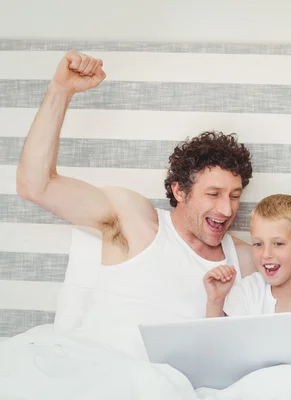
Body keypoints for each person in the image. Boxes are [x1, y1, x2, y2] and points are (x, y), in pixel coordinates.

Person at [16, 51, 257, 358]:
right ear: (179, 191)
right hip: (98, 370)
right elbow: (35, 186)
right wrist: (60, 91)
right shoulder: (135, 221)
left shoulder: (246, 258)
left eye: (234, 196)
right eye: (213, 194)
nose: (226, 210)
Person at [203, 194, 291, 364]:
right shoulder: (249, 290)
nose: (266, 255)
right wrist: (215, 301)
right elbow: (217, 355)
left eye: (278, 244)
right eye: (258, 244)